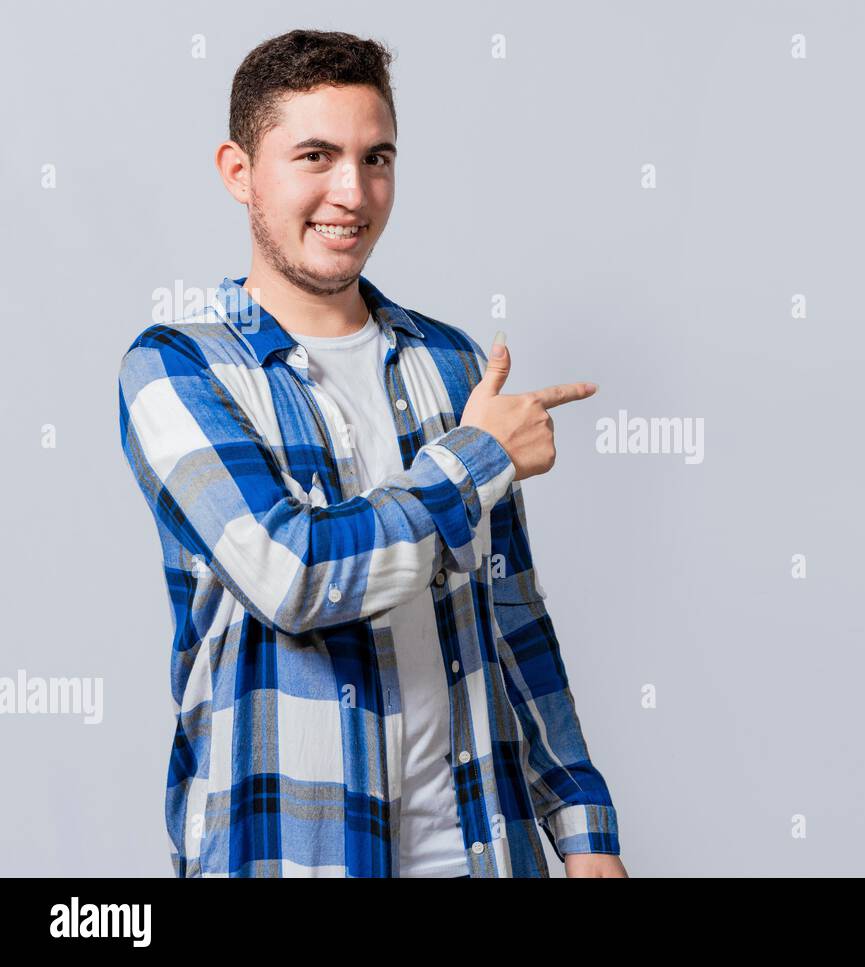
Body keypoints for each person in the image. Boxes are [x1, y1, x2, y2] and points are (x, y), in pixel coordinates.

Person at [116, 28, 626, 878]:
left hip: (481, 850)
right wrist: (477, 459)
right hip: (291, 852)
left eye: (376, 157)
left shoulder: (452, 364)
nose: (351, 193)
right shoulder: (174, 367)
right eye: (315, 155)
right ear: (239, 172)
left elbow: (514, 616)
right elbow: (293, 573)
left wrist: (582, 824)